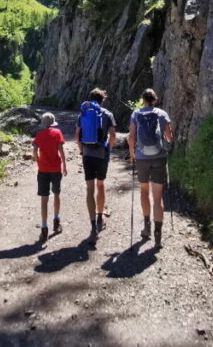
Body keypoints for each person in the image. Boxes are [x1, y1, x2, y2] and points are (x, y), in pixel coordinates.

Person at [128, 89, 174, 248]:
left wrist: (132, 154)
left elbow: (131, 136)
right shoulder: (162, 114)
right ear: (155, 99)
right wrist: (168, 140)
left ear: (143, 100)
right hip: (159, 157)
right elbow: (169, 138)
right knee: (158, 196)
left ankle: (147, 226)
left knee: (143, 192)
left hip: (141, 158)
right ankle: (158, 235)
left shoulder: (136, 114)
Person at [75, 88, 117, 243]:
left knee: (89, 188)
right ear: (102, 100)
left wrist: (81, 151)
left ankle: (93, 226)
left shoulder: (84, 113)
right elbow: (113, 135)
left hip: (87, 154)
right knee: (101, 185)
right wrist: (109, 149)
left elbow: (77, 135)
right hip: (101, 155)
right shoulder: (107, 114)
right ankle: (100, 216)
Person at [32, 112, 67, 244]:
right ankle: (56, 222)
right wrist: (65, 166)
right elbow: (61, 151)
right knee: (57, 194)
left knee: (44, 199)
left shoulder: (39, 135)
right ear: (53, 123)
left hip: (43, 170)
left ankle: (44, 228)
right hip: (56, 168)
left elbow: (35, 152)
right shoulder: (57, 133)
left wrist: (38, 161)